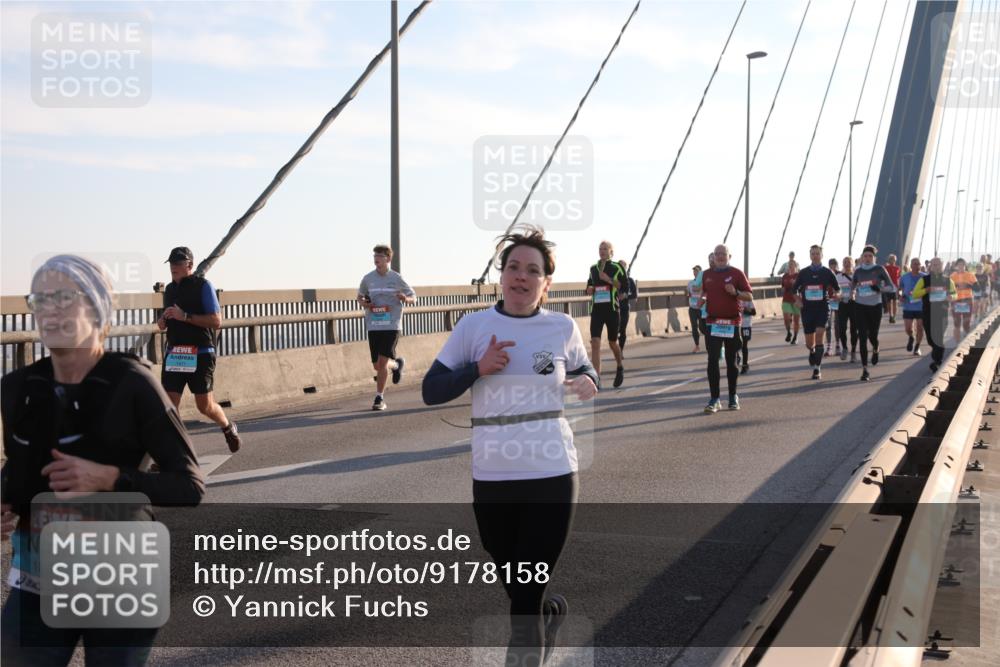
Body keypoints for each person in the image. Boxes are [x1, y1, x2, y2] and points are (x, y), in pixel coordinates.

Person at [1, 255, 205, 667]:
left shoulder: (134, 382)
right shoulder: (16, 387)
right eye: (39, 299)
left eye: (63, 297)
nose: (49, 309)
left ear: (95, 307)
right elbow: (19, 469)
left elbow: (188, 486)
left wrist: (110, 477)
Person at [421, 226, 597, 666]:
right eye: (513, 267)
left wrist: (587, 382)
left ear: (546, 283)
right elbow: (431, 390)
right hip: (494, 476)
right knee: (517, 584)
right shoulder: (475, 326)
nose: (521, 277)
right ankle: (548, 615)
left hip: (552, 471)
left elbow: (585, 367)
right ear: (501, 276)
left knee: (525, 594)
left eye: (532, 270)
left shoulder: (561, 327)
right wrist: (476, 369)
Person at [157, 247, 241, 451]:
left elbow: (216, 321)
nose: (174, 268)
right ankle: (170, 454)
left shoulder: (203, 286)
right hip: (176, 354)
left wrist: (184, 316)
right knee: (168, 407)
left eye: (178, 264)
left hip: (200, 353)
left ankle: (228, 427)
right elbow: (167, 320)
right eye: (172, 264)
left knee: (205, 407)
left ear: (190, 266)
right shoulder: (169, 289)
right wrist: (162, 321)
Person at [358, 244, 416, 411]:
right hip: (374, 324)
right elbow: (360, 296)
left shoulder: (396, 278)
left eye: (380, 256)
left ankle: (379, 398)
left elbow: (414, 296)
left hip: (391, 324)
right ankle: (397, 365)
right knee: (377, 365)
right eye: (375, 256)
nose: (376, 259)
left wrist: (405, 298)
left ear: (388, 259)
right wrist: (364, 302)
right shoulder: (368, 278)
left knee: (382, 364)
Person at [699, 244, 753, 413]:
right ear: (713, 257)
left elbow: (749, 295)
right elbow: (703, 292)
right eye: (717, 254)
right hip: (713, 322)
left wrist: (736, 292)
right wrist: (701, 298)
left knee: (732, 361)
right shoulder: (707, 275)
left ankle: (732, 396)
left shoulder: (737, 273)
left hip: (732, 323)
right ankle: (714, 399)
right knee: (712, 361)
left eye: (723, 254)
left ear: (729, 256)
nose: (720, 257)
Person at [793, 245, 840, 379]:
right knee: (809, 343)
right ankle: (812, 351)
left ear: (822, 255)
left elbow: (838, 289)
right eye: (813, 254)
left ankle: (817, 369)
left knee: (819, 334)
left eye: (817, 253)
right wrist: (798, 300)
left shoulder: (827, 272)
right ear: (810, 256)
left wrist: (838, 295)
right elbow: (794, 290)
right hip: (807, 309)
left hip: (823, 308)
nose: (815, 256)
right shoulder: (803, 273)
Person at [852, 245, 894, 382]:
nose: (868, 258)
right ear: (862, 257)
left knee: (872, 335)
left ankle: (876, 348)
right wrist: (852, 294)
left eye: (870, 256)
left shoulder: (879, 269)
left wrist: (879, 288)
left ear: (874, 257)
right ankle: (865, 370)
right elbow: (852, 288)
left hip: (875, 307)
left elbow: (891, 287)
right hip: (860, 306)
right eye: (865, 256)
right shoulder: (857, 271)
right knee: (862, 337)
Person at [586, 241, 625, 387]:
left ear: (611, 252)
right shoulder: (593, 269)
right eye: (600, 249)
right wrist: (589, 289)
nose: (602, 251)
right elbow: (589, 284)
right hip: (596, 310)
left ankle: (620, 366)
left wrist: (608, 279)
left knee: (612, 342)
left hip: (612, 310)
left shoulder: (617, 267)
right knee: (595, 343)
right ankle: (597, 378)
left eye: (605, 249)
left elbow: (623, 286)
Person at [912, 257, 957, 372]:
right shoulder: (924, 280)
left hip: (942, 313)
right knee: (931, 341)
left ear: (942, 266)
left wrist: (951, 297)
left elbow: (955, 293)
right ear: (930, 266)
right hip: (928, 313)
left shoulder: (948, 280)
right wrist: (926, 290)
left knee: (939, 338)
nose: (936, 266)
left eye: (938, 264)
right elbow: (915, 294)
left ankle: (937, 362)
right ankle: (937, 355)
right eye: (934, 265)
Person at [898, 257, 926, 356]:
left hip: (921, 306)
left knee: (920, 328)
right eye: (914, 264)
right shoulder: (905, 277)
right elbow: (900, 289)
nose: (917, 266)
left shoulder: (925, 277)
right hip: (908, 306)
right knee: (908, 329)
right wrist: (901, 296)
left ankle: (917, 347)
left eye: (918, 264)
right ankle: (911, 337)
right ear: (911, 265)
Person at [949, 258, 977, 343]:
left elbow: (977, 287)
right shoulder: (952, 276)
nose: (961, 266)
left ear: (965, 266)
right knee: (957, 323)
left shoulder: (970, 275)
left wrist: (968, 285)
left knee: (966, 323)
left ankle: (966, 336)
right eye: (959, 265)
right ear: (956, 266)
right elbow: (947, 288)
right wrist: (956, 286)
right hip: (956, 300)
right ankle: (957, 344)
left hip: (967, 300)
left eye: (962, 265)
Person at [836, 256, 858, 361]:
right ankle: (844, 348)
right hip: (842, 304)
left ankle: (853, 350)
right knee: (842, 328)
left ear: (852, 264)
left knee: (854, 329)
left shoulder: (856, 275)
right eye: (845, 262)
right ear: (842, 264)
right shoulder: (838, 277)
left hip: (854, 304)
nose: (847, 264)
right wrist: (837, 295)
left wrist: (854, 292)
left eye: (849, 262)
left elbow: (861, 288)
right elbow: (835, 290)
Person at [616, 259, 638, 353]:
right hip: (614, 308)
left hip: (625, 308)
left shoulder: (630, 280)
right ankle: (616, 349)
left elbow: (635, 295)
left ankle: (620, 350)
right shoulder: (613, 280)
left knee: (622, 330)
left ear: (625, 268)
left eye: (622, 266)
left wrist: (625, 296)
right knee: (615, 331)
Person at [781, 260, 801, 344]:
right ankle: (789, 332)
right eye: (789, 265)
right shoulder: (785, 276)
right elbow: (782, 287)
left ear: (795, 266)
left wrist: (796, 284)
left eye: (792, 265)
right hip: (786, 299)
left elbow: (802, 287)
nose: (790, 267)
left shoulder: (798, 276)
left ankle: (795, 337)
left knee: (796, 321)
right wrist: (783, 289)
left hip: (796, 300)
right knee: (786, 318)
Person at [825, 258, 840, 357]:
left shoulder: (840, 274)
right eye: (831, 264)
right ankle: (829, 347)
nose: (832, 266)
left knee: (837, 324)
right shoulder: (825, 274)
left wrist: (839, 295)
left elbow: (841, 287)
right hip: (828, 301)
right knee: (828, 325)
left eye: (834, 264)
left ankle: (838, 346)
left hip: (837, 301)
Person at [737, 298, 756, 375]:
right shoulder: (733, 295)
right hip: (736, 323)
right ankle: (737, 356)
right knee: (735, 343)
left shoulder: (748, 298)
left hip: (746, 324)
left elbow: (754, 312)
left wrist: (744, 310)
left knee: (744, 345)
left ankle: (745, 365)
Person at [687, 265, 703, 353]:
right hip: (692, 308)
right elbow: (688, 293)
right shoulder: (690, 283)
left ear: (701, 272)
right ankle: (697, 346)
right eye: (694, 271)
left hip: (702, 308)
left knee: (702, 327)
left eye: (696, 271)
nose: (695, 272)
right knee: (694, 328)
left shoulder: (704, 283)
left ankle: (712, 343)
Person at [882, 254, 901, 323]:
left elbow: (898, 278)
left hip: (895, 287)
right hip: (888, 286)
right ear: (889, 260)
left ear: (895, 260)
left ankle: (894, 317)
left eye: (893, 259)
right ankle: (891, 315)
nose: (892, 261)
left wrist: (899, 287)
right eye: (891, 259)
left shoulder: (897, 268)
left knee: (895, 302)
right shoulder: (885, 267)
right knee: (889, 302)